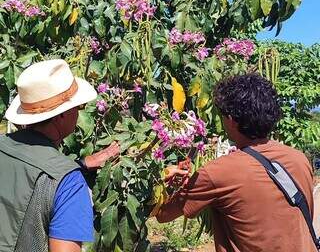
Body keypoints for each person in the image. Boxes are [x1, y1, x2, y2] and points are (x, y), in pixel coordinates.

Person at [157, 73, 316, 252]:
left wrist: (166, 179)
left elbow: (163, 215)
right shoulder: (300, 159)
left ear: (231, 120)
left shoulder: (217, 172)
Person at [0, 59, 119, 252]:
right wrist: (69, 173)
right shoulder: (69, 183)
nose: (79, 113)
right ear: (61, 115)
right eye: (78, 107)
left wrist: (80, 164)